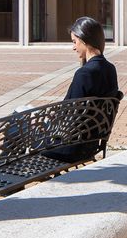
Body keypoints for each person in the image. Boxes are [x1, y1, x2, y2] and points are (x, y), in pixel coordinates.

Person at [45, 15, 120, 162]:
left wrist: (46, 124)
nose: (73, 47)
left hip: (69, 147)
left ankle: (1, 176)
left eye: (75, 42)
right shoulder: (110, 69)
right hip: (91, 145)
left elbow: (68, 115)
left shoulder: (84, 73)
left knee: (17, 123)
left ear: (85, 40)